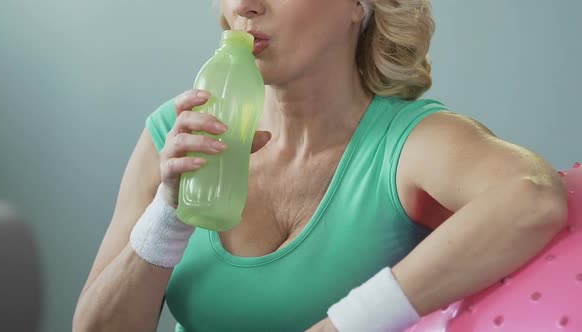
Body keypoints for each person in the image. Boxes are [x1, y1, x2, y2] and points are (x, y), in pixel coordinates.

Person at [73, 0, 568, 331]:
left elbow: (534, 196)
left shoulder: (408, 143)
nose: (244, 4)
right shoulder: (177, 133)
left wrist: (345, 324)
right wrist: (167, 217)